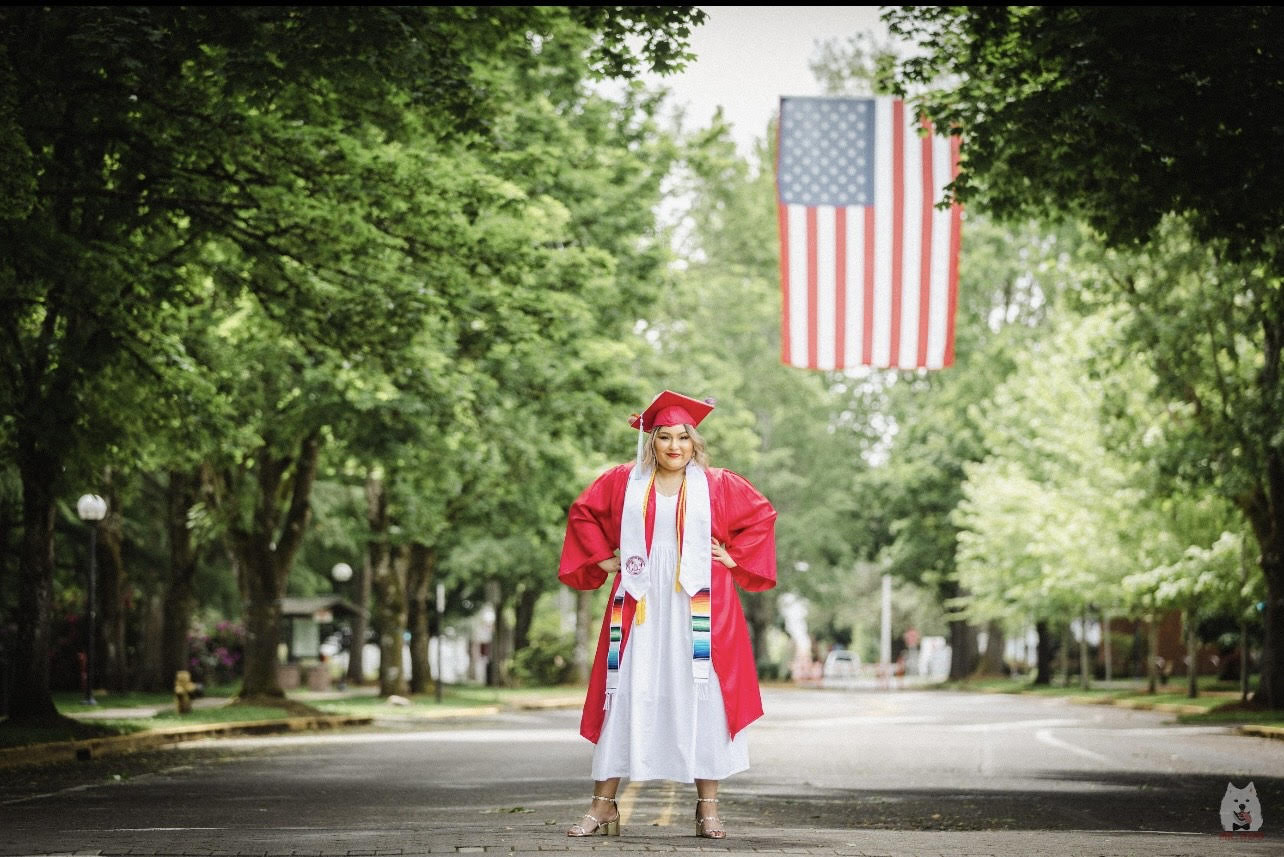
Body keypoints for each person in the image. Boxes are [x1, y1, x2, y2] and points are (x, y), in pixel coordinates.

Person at [558, 390, 777, 840]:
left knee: (703, 693)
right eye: (664, 438)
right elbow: (583, 513)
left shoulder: (719, 484)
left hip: (699, 602)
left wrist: (733, 557)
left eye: (683, 438)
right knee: (623, 692)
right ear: (650, 442)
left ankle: (708, 808)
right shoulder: (624, 481)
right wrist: (602, 559)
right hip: (639, 600)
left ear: (694, 443)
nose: (674, 446)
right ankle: (603, 806)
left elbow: (761, 517)